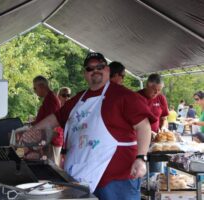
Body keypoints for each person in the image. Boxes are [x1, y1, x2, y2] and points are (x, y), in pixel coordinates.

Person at [22, 52, 155, 199]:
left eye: (100, 66)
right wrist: (31, 132)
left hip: (117, 180)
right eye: (90, 68)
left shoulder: (125, 96)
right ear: (85, 74)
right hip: (81, 177)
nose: (95, 70)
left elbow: (144, 127)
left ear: (107, 70)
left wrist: (141, 158)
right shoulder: (78, 100)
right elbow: (55, 118)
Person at [137, 73, 169, 175]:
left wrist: (164, 127)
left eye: (159, 90)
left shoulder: (161, 98)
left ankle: (155, 187)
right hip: (139, 141)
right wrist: (148, 132)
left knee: (156, 172)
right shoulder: (136, 97)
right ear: (147, 85)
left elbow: (164, 118)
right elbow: (131, 122)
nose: (156, 92)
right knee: (141, 172)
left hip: (156, 142)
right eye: (154, 89)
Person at [32, 75, 63, 165]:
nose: (35, 91)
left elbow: (53, 125)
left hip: (52, 142)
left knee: (52, 169)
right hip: (48, 141)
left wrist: (41, 143)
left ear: (41, 87)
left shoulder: (51, 101)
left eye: (35, 88)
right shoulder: (48, 99)